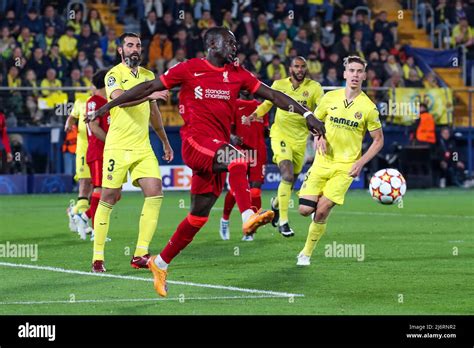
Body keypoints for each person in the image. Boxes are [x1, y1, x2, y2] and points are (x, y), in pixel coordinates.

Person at [88, 27, 326, 297]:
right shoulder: (189, 69)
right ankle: (248, 216)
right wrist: (107, 107)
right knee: (237, 158)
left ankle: (160, 263)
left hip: (215, 150)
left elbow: (273, 95)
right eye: (230, 42)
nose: (235, 47)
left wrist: (307, 115)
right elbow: (149, 87)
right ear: (212, 44)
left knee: (197, 217)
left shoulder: (238, 74)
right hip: (195, 142)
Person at [87, 33, 172, 273]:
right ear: (120, 50)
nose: (135, 49)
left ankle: (140, 254)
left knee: (155, 192)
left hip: (143, 146)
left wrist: (165, 141)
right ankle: (98, 257)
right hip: (118, 146)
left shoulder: (148, 76)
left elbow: (154, 112)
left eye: (138, 46)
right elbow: (119, 101)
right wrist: (150, 94)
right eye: (130, 45)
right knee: (109, 196)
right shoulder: (113, 74)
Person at [296, 55, 384, 266]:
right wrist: (318, 136)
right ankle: (313, 211)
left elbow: (378, 140)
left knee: (323, 209)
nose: (355, 75)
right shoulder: (329, 98)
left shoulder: (369, 108)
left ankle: (305, 253)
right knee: (304, 210)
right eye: (351, 70)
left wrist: (361, 162)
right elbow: (314, 122)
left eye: (359, 71)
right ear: (345, 74)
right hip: (322, 160)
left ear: (364, 76)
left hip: (346, 166)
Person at [249, 56, 324, 237]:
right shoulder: (278, 84)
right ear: (290, 68)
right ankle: (283, 222)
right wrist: (254, 114)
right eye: (296, 66)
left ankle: (275, 205)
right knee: (288, 175)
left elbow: (322, 108)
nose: (299, 69)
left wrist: (320, 125)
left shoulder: (314, 88)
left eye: (302, 67)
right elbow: (268, 103)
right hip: (280, 135)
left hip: (301, 141)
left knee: (289, 182)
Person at [219, 93, 269, 242]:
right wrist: (232, 137)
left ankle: (251, 230)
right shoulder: (234, 105)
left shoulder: (262, 106)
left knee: (255, 190)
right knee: (236, 190)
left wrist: (270, 131)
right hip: (240, 151)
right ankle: (225, 220)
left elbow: (265, 130)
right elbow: (228, 129)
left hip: (258, 151)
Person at [73, 69, 110, 239]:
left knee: (114, 194)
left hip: (110, 153)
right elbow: (94, 128)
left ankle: (84, 216)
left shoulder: (110, 101)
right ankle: (96, 231)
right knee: (100, 189)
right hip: (97, 152)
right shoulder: (93, 102)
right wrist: (111, 142)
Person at [64, 96, 93, 239]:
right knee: (84, 183)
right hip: (83, 149)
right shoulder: (81, 101)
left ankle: (74, 211)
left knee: (94, 188)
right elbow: (71, 117)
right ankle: (85, 223)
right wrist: (68, 123)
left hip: (99, 149)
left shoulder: (106, 100)